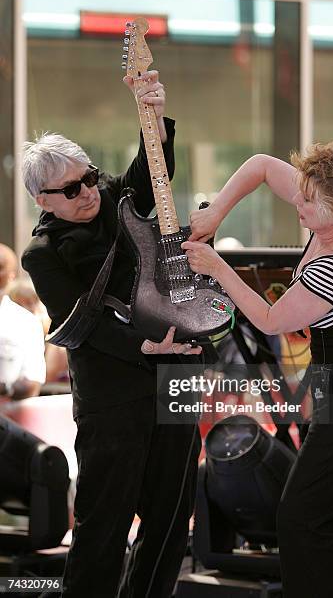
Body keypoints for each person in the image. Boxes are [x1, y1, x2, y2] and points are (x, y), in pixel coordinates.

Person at [182, 141, 333, 598]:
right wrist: (217, 213)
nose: (298, 205)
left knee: (302, 517)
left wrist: (217, 266)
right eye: (301, 193)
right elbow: (263, 166)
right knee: (331, 519)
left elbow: (270, 319)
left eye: (309, 201)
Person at [21, 71, 203, 598]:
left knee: (171, 524)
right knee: (103, 529)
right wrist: (144, 345)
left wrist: (153, 113)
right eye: (71, 189)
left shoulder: (115, 196)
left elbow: (153, 172)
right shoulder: (43, 255)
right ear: (43, 200)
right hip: (112, 396)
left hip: (175, 377)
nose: (87, 192)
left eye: (89, 176)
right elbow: (84, 325)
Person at [0, 243, 46, 400]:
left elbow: (32, 383)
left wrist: (5, 388)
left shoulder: (25, 322)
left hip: (6, 417)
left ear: (11, 276)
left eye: (0, 268)